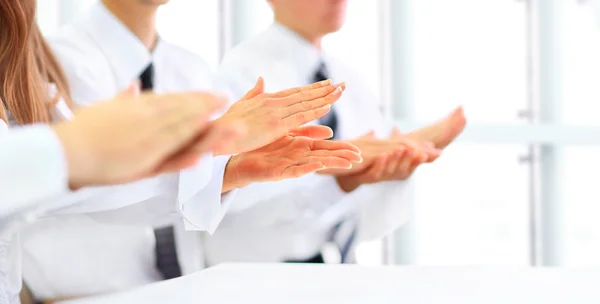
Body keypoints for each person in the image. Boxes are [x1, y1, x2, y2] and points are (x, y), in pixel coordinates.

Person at [1, 0, 362, 302]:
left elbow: (91, 184)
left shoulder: (192, 69)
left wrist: (220, 169)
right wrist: (209, 153)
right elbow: (70, 187)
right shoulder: (61, 61)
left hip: (185, 288)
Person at [202, 0, 467, 265]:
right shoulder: (240, 77)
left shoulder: (348, 79)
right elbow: (225, 201)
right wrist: (338, 179)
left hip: (334, 274)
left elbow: (368, 224)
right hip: (258, 280)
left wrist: (387, 173)